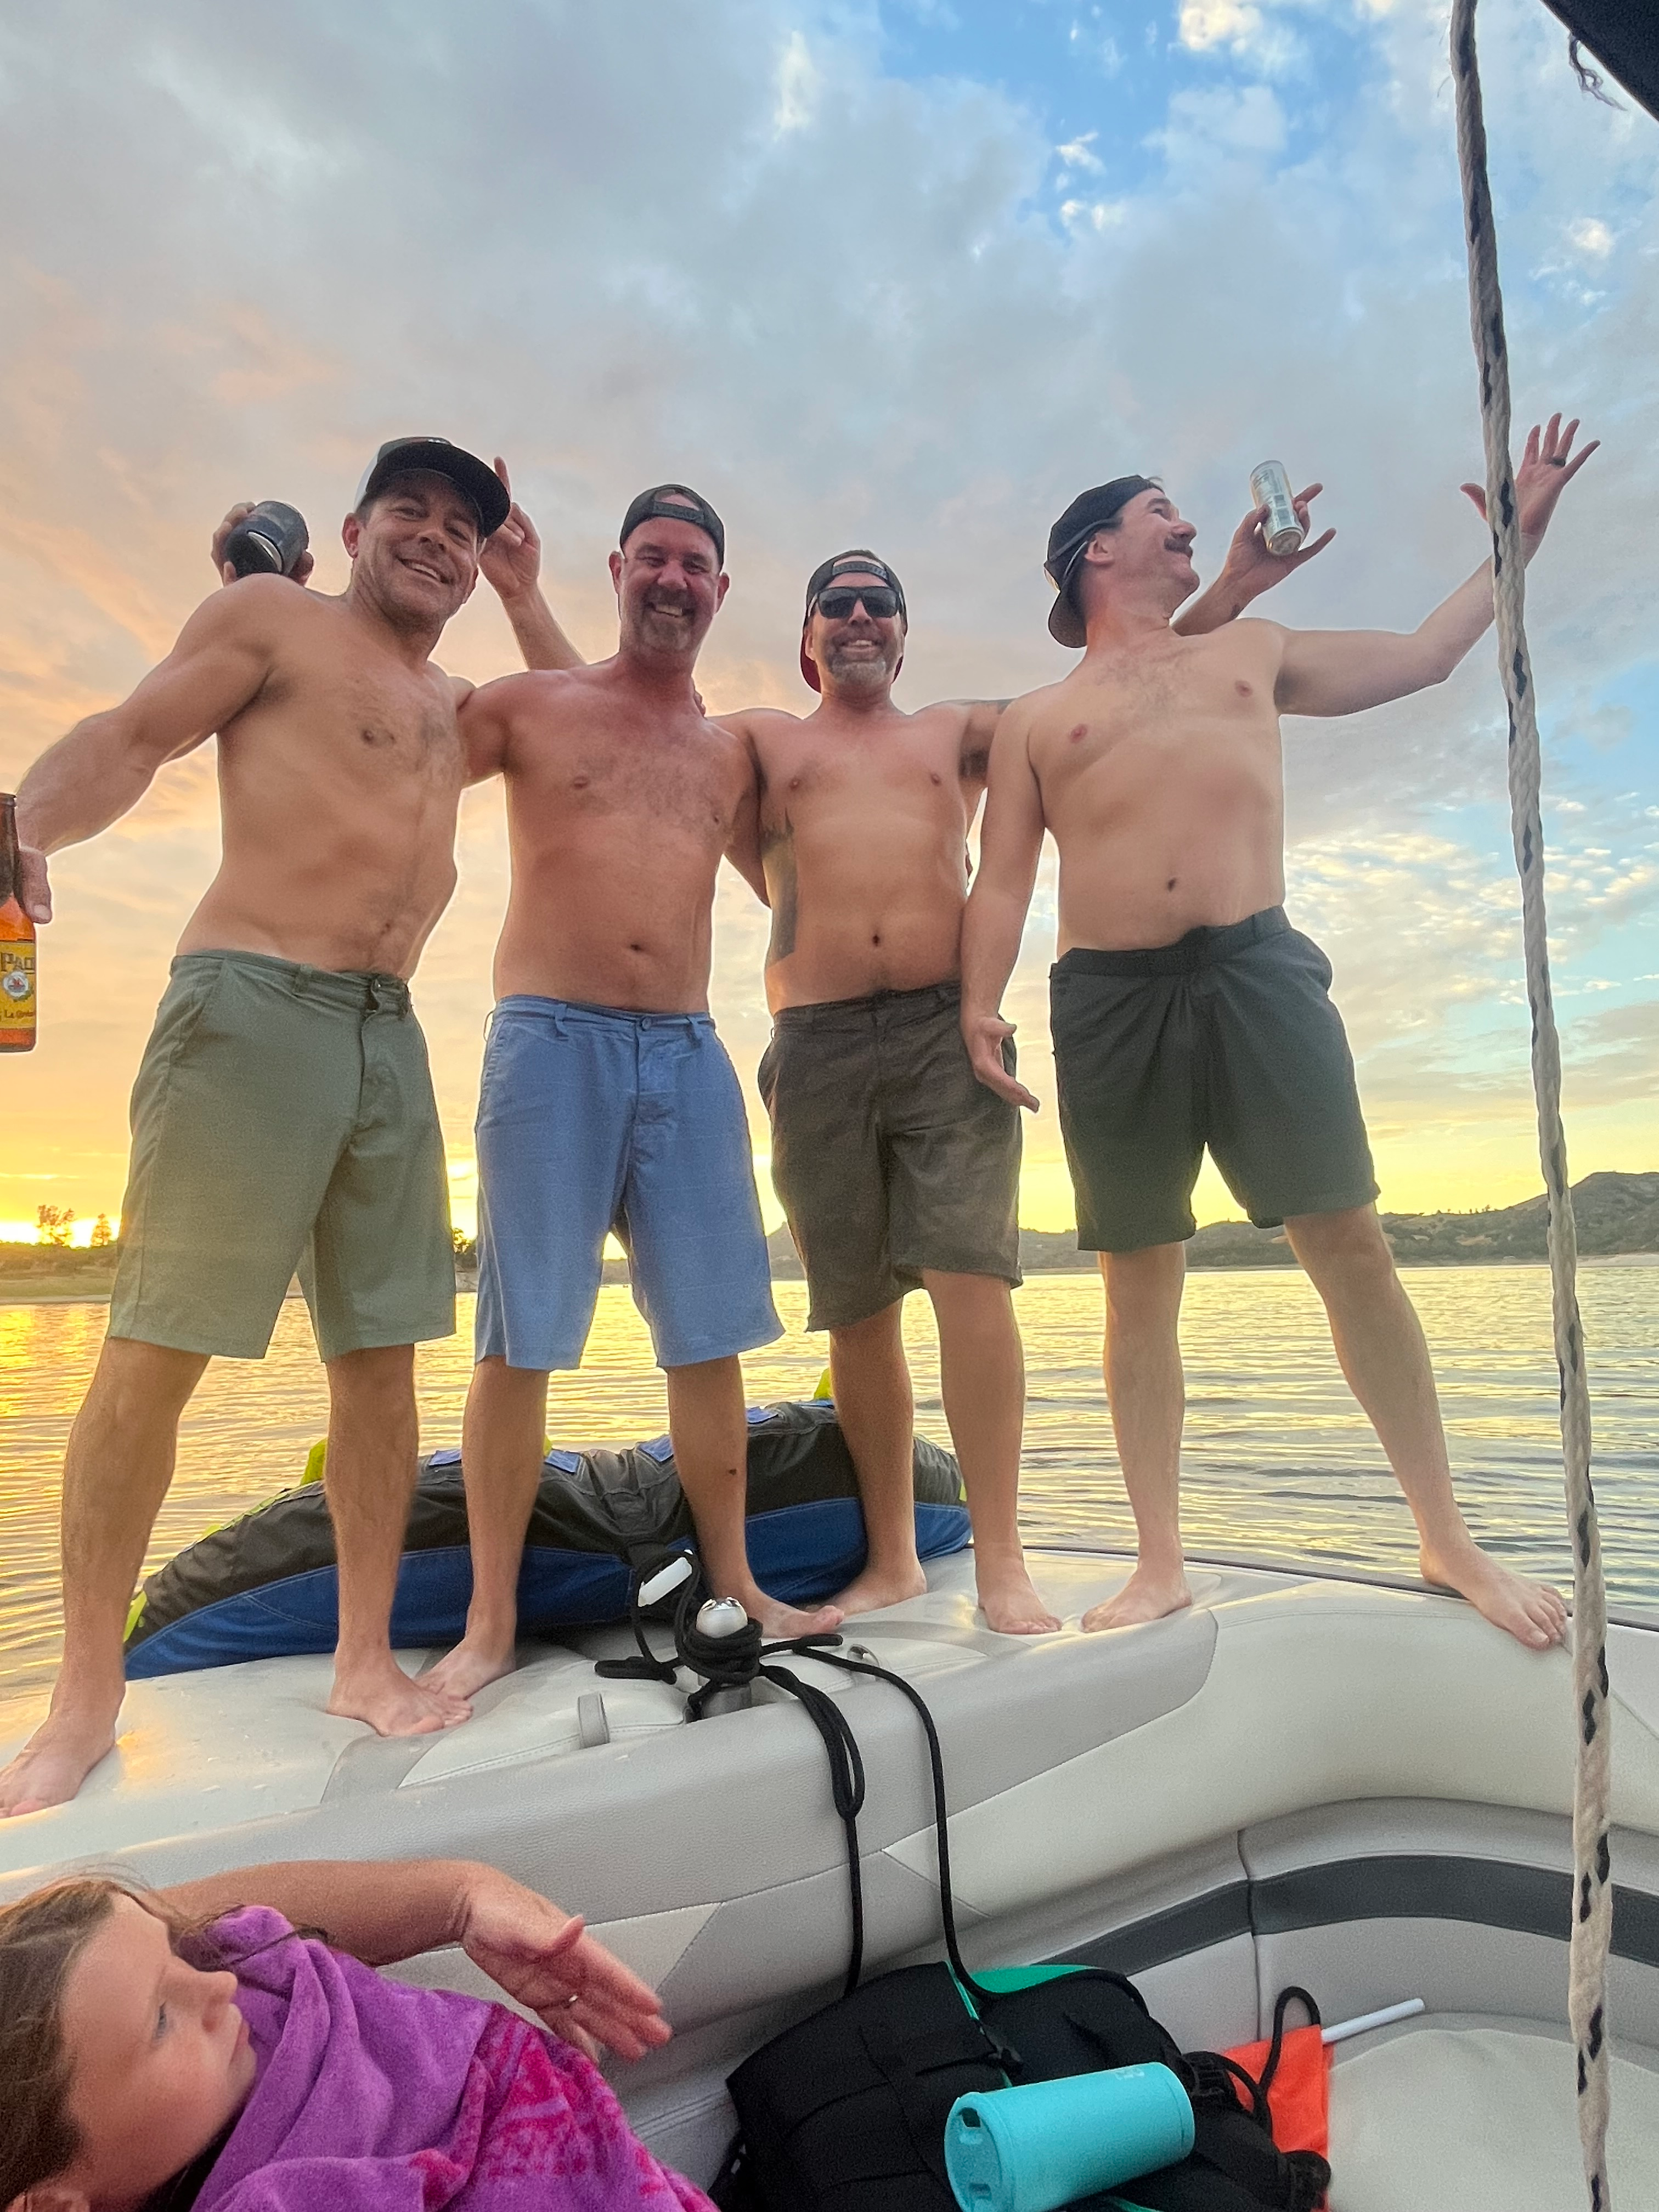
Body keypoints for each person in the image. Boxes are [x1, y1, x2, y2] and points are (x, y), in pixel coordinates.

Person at [960, 417, 1595, 1648]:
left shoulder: (1252, 649)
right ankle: (1159, 1561)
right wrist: (978, 1004)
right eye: (1161, 511)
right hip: (1107, 1000)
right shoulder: (1039, 717)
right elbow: (1000, 880)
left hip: (1258, 971)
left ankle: (1444, 1535)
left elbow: (1424, 657)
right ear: (1098, 547)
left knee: (1348, 1241)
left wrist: (1521, 538)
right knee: (1137, 1281)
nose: (1189, 523)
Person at [0, 437, 523, 1821]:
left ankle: (362, 1660)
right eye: (409, 510)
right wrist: (25, 823)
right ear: (349, 530)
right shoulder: (274, 620)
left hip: (385, 1033)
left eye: (464, 524)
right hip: (251, 1006)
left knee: (382, 1360)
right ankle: (83, 1699)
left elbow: (582, 706)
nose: (437, 535)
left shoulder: (457, 705)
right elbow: (136, 732)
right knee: (154, 1346)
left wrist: (532, 588)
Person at [702, 516, 1327, 1635]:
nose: (858, 616)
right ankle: (893, 1557)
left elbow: (1119, 682)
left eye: (877, 601)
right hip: (817, 1045)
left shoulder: (963, 732)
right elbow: (645, 734)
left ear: (902, 636)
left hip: (949, 1031)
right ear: (806, 642)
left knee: (970, 1285)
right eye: (836, 603)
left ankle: (1001, 1560)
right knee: (854, 1310)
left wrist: (1222, 595)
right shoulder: (761, 742)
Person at [420, 486, 842, 1704]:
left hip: (690, 1052)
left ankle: (741, 1581)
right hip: (550, 1044)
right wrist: (508, 593)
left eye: (696, 564)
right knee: (521, 1340)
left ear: (721, 591)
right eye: (652, 557)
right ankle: (492, 1621)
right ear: (617, 570)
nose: (673, 578)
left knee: (709, 1338)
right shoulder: (532, 706)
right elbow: (396, 763)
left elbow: (802, 883)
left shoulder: (727, 752)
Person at [0, 1853, 712, 2211]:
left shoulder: (238, 1988)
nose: (220, 1985)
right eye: (160, 2020)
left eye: (175, 1954)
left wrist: (463, 1897)